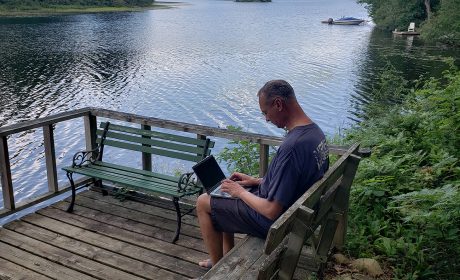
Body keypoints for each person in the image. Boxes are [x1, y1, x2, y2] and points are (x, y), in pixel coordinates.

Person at [196, 79, 329, 269]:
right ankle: (224, 256)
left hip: (275, 223)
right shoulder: (315, 134)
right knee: (225, 192)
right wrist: (256, 181)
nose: (266, 119)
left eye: (266, 112)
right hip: (294, 213)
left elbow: (271, 210)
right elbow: (295, 179)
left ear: (278, 104)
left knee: (203, 202)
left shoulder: (292, 147)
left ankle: (219, 269)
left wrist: (240, 192)